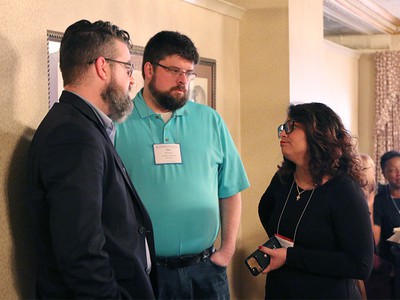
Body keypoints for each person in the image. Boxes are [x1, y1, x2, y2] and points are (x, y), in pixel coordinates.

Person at [26, 20, 157, 299]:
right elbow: (80, 251)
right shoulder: (73, 136)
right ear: (102, 67)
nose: (132, 79)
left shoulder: (82, 126)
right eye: (127, 68)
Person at [115, 31, 250, 299]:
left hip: (206, 270)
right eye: (175, 70)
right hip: (147, 272)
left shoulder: (210, 120)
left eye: (189, 73)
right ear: (149, 69)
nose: (183, 81)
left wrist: (227, 250)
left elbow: (230, 190)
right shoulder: (118, 123)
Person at [257, 102, 374, 299]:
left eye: (291, 127)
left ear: (318, 134)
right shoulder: (283, 179)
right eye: (283, 128)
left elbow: (360, 265)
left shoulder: (344, 190)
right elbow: (265, 209)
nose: (283, 134)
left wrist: (291, 257)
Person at [360, 154, 394, 299]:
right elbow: (370, 243)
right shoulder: (358, 201)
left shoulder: (377, 198)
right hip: (368, 272)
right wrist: (389, 268)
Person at [373, 150, 400, 298]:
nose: (399, 174)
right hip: (393, 259)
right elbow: (375, 239)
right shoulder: (380, 201)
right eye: (393, 170)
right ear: (384, 174)